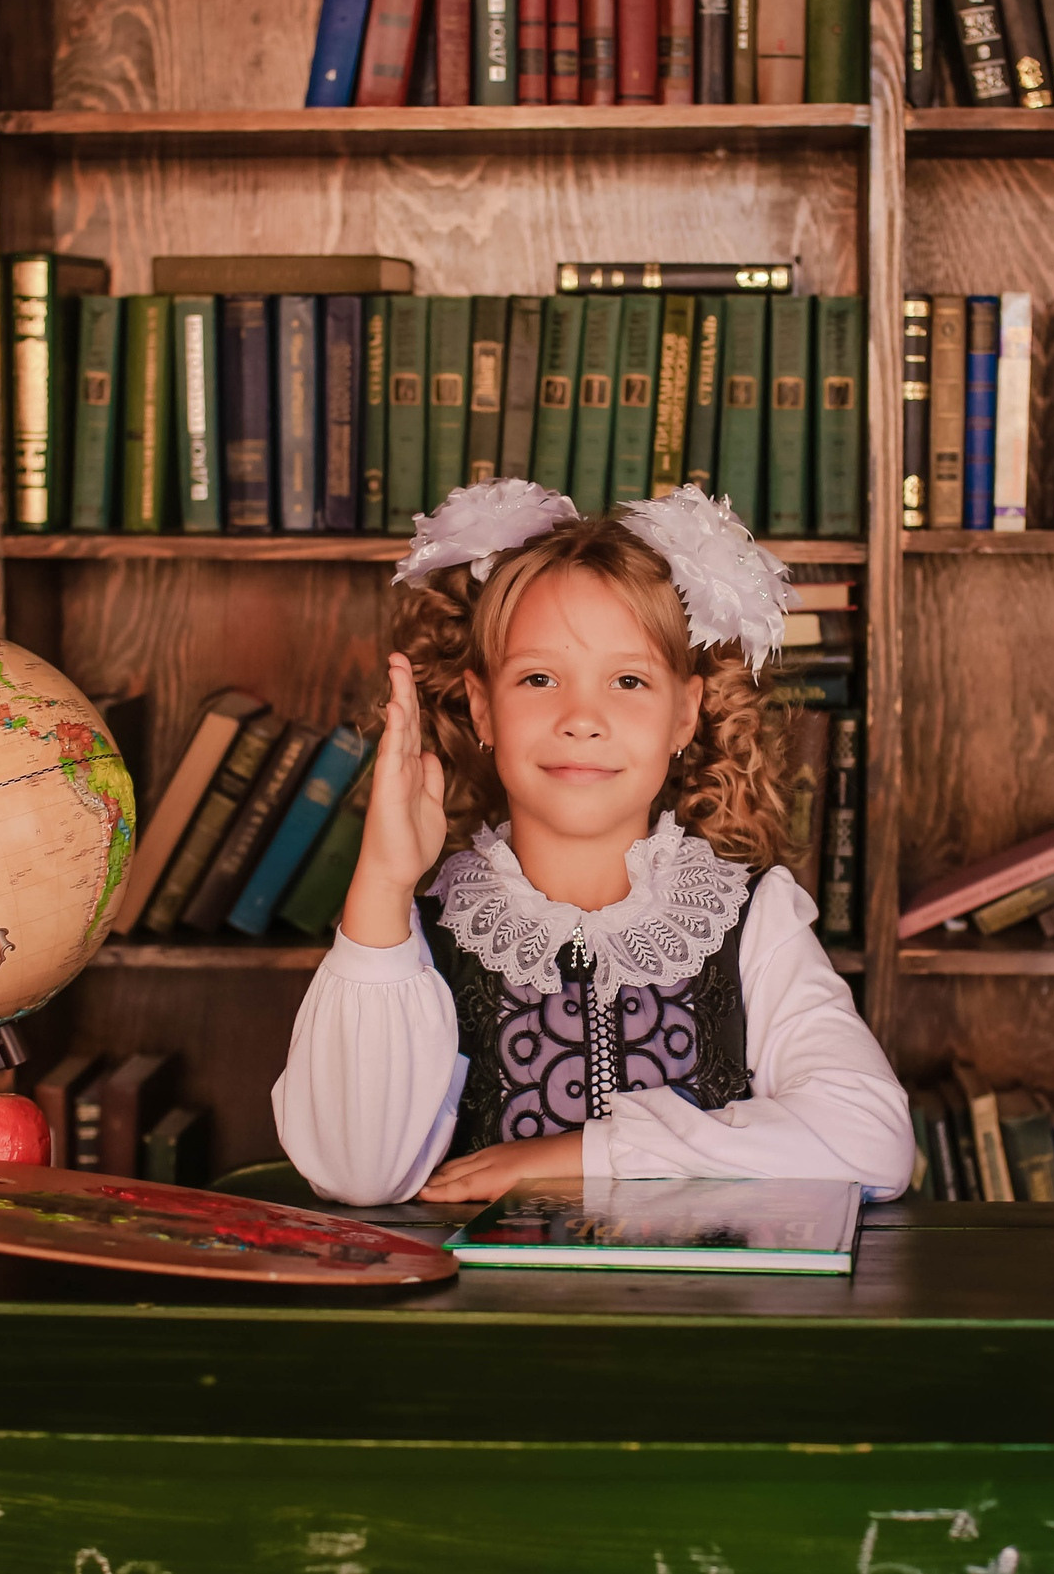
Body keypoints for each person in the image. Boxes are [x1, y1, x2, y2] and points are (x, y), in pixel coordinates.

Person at [272, 479, 916, 1207]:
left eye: (629, 680)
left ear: (685, 715)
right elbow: (356, 1172)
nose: (582, 717)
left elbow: (873, 1142)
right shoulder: (417, 933)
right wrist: (383, 884)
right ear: (483, 705)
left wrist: (587, 1154)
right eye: (540, 676)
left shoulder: (754, 921)